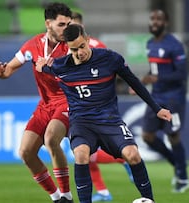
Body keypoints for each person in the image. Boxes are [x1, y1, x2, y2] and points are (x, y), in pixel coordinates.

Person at [36, 24, 172, 203]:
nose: (79, 53)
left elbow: (135, 83)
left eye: (82, 46)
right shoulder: (60, 66)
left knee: (133, 154)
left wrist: (157, 108)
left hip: (110, 120)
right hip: (81, 122)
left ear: (87, 39)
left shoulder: (110, 59)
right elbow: (41, 66)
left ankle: (149, 200)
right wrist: (40, 66)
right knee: (81, 155)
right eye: (74, 50)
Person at [0, 2, 74, 203]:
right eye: (62, 24)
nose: (67, 29)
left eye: (68, 24)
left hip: (67, 101)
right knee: (26, 152)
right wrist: (2, 73)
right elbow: (10, 69)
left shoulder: (73, 45)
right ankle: (56, 198)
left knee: (50, 139)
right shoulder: (32, 46)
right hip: (45, 104)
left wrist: (53, 68)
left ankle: (67, 195)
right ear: (48, 23)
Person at [71, 11, 134, 202]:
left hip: (98, 106)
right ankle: (103, 191)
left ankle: (123, 161)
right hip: (79, 105)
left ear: (81, 28)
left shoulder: (96, 47)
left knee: (86, 153)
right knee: (83, 154)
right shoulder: (68, 49)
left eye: (72, 25)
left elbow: (114, 63)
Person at [131, 9, 189, 193]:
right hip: (155, 97)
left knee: (173, 136)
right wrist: (141, 82)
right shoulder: (149, 44)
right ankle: (176, 161)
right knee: (147, 136)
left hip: (174, 98)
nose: (154, 22)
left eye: (159, 19)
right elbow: (154, 72)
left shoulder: (174, 45)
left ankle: (183, 177)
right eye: (152, 19)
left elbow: (181, 73)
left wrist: (158, 79)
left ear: (166, 23)